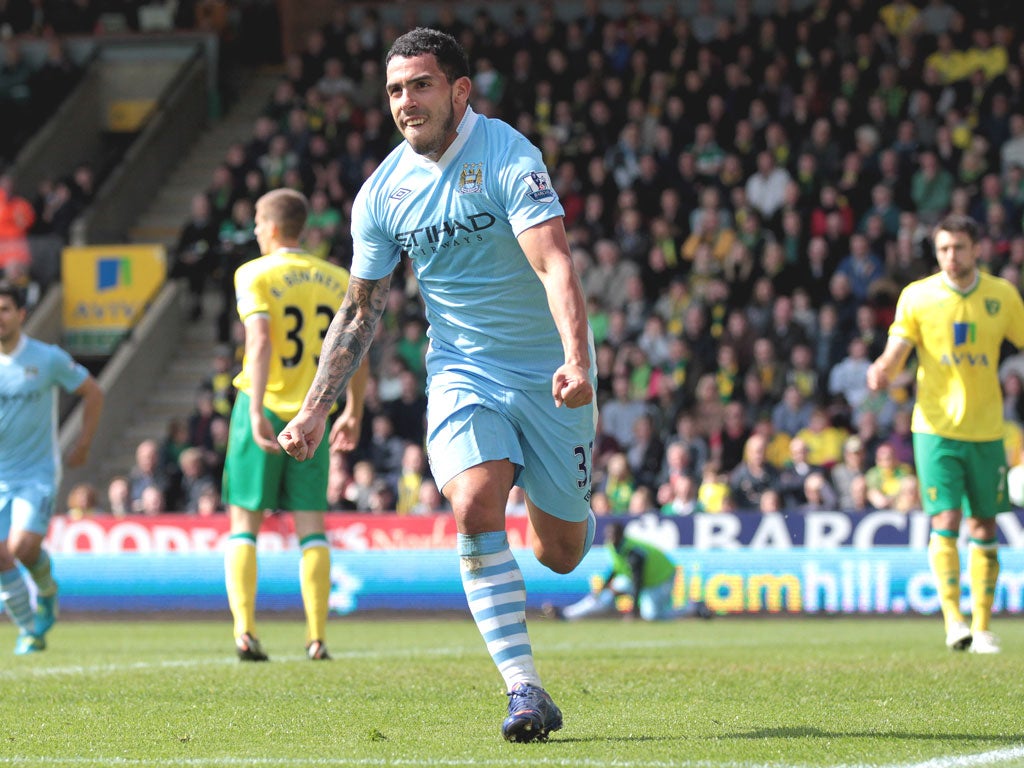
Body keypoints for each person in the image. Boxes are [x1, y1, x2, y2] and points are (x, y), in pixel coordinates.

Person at [278, 28, 597, 743]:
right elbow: (361, 310)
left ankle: (568, 512)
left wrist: (577, 360)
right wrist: (313, 409)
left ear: (459, 91)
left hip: (550, 374)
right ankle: (524, 690)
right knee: (474, 501)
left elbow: (556, 266)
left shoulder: (510, 155)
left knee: (560, 552)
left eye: (420, 85)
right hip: (463, 369)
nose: (405, 102)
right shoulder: (382, 193)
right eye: (394, 90)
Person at [222, 188, 368, 664]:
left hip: (263, 407)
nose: (257, 233)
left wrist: (254, 409)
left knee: (245, 523)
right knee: (311, 527)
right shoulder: (335, 277)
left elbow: (260, 342)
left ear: (271, 228)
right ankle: (317, 637)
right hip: (314, 412)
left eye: (259, 226)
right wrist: (353, 409)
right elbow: (355, 343)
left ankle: (245, 631)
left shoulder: (254, 273)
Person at [867, 214, 1024, 655]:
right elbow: (897, 351)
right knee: (946, 521)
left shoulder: (1002, 295)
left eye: (959, 248)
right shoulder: (917, 297)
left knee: (984, 524)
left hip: (987, 429)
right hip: (935, 428)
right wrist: (882, 369)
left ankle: (983, 626)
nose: (951, 257)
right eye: (943, 249)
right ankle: (954, 621)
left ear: (977, 249)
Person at [0, 281, 104, 654]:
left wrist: (83, 444)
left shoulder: (47, 358)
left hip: (36, 473)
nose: (0, 317)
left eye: (5, 309)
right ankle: (30, 630)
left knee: (22, 547)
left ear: (21, 314)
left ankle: (47, 591)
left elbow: (92, 392)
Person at [543, 521, 710, 622]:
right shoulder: (613, 547)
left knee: (652, 615)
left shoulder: (633, 552)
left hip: (661, 578)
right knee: (603, 597)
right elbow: (615, 569)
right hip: (639, 579)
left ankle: (693, 609)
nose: (610, 537)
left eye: (613, 534)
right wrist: (602, 588)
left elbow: (639, 581)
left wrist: (633, 612)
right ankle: (567, 613)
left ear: (621, 535)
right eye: (609, 534)